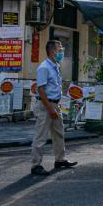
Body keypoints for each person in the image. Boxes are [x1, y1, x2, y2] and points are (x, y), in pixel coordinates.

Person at [30, 40, 77, 175]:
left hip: (54, 104)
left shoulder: (55, 66)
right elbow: (41, 89)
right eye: (60, 50)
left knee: (58, 133)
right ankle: (36, 165)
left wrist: (57, 103)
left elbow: (53, 87)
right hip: (45, 106)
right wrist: (51, 108)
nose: (62, 52)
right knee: (41, 136)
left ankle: (60, 159)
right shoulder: (44, 67)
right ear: (52, 52)